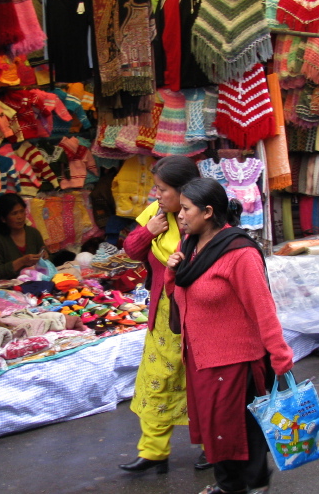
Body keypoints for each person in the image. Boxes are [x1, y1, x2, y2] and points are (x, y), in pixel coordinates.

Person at [165, 178, 294, 494]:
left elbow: (263, 307)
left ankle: (254, 485)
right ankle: (229, 486)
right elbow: (181, 301)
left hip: (236, 359)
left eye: (185, 209)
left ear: (208, 211)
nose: (179, 215)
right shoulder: (190, 247)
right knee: (217, 429)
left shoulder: (239, 252)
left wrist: (281, 357)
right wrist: (172, 272)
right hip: (201, 357)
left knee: (240, 429)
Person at [119, 156, 210, 474]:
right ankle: (153, 450)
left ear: (184, 191)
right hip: (162, 315)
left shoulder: (204, 218)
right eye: (155, 188)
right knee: (158, 380)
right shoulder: (155, 215)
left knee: (202, 382)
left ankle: (212, 446)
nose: (156, 195)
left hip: (200, 316)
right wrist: (148, 230)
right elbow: (131, 250)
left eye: (162, 189)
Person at [0, 194, 46, 280]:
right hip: (10, 286)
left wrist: (45, 256)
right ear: (3, 218)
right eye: (14, 213)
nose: (20, 217)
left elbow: (48, 261)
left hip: (36, 281)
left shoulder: (33, 233)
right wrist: (21, 262)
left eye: (22, 211)